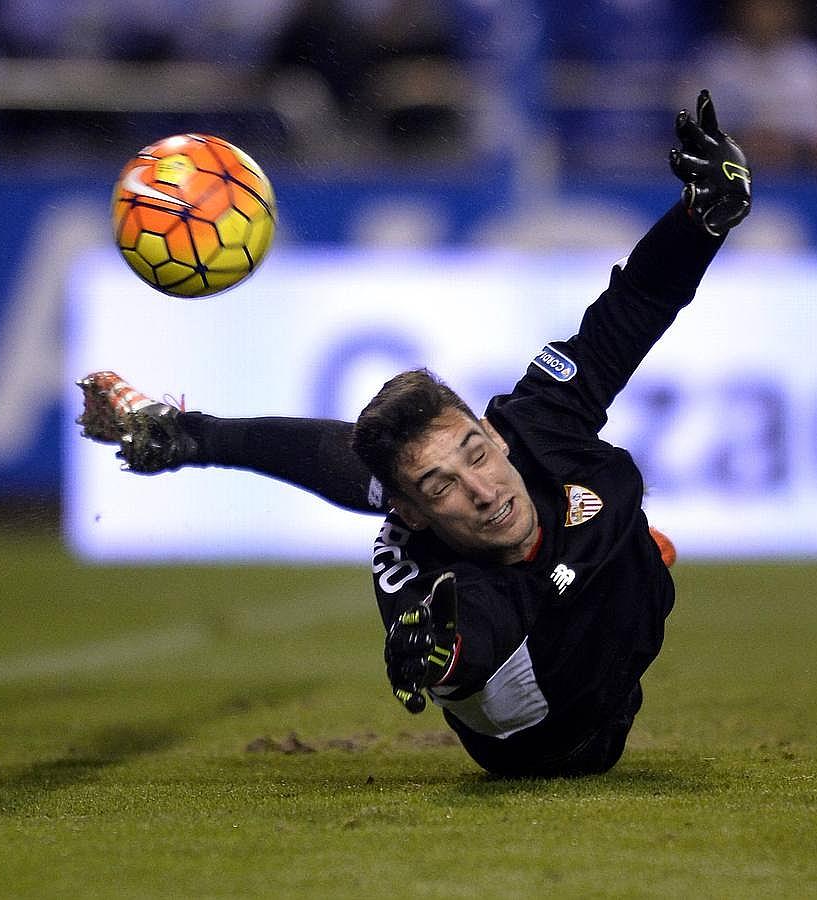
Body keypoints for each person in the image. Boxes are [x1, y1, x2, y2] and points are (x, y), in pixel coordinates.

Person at [76, 90, 751, 778]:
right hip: (558, 735)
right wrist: (440, 654)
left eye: (476, 453)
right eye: (442, 487)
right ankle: (622, 563)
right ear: (409, 513)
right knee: (565, 552)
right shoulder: (425, 572)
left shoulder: (534, 422)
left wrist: (702, 219)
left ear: (494, 431)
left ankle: (627, 557)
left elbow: (630, 309)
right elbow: (467, 640)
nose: (483, 491)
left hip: (609, 591)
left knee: (589, 500)